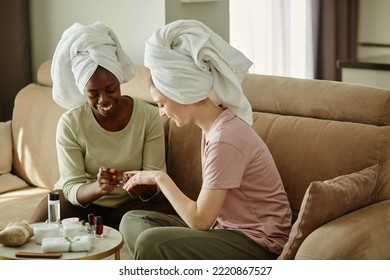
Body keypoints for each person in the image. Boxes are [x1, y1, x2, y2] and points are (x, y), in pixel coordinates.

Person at [119, 19, 292, 260]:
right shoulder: (213, 125)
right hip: (225, 230)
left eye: (162, 104)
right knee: (134, 220)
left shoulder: (225, 139)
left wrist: (160, 177)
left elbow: (200, 220)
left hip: (258, 243)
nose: (161, 112)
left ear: (182, 93)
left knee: (150, 241)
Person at [29, 21, 174, 229]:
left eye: (111, 89)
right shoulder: (70, 123)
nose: (104, 100)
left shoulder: (149, 117)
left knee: (166, 217)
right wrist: (99, 187)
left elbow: (156, 180)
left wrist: (142, 187)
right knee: (35, 231)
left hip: (128, 206)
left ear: (119, 80)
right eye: (93, 94)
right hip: (79, 203)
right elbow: (71, 187)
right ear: (83, 92)